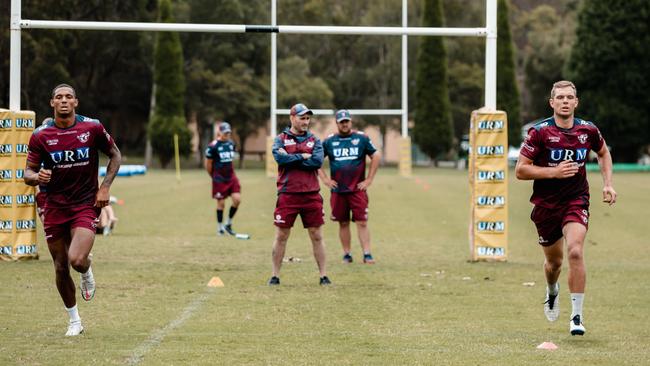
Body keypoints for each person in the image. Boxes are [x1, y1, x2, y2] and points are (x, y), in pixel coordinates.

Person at [515, 80, 616, 336]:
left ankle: (577, 316)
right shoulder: (539, 133)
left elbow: (603, 153)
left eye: (570, 97)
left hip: (576, 199)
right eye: (560, 97)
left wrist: (608, 184)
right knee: (554, 264)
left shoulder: (588, 130)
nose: (565, 101)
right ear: (552, 102)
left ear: (576, 102)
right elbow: (521, 170)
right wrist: (554, 172)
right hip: (546, 204)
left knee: (575, 252)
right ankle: (552, 291)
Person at [24, 84, 122, 336]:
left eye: (69, 97)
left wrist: (104, 188)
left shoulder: (92, 127)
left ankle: (86, 269)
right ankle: (75, 321)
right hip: (54, 204)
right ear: (52, 103)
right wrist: (38, 176)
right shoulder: (40, 135)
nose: (64, 101)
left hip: (84, 203)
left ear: (76, 102)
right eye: (59, 97)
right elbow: (27, 173)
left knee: (76, 259)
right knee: (59, 266)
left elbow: (115, 154)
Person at [269, 103, 330, 286]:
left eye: (307, 118)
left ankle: (323, 275)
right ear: (292, 118)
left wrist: (292, 158)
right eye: (302, 118)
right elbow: (280, 158)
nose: (305, 121)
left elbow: (317, 162)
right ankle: (275, 275)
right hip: (288, 194)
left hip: (311, 194)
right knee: (281, 235)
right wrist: (302, 156)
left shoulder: (315, 140)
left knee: (317, 235)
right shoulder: (281, 139)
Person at [318, 109, 380, 264]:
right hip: (338, 190)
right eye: (341, 122)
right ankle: (347, 254)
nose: (344, 124)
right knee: (343, 222)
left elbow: (376, 156)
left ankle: (367, 253)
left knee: (362, 222)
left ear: (350, 122)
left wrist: (369, 180)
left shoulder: (361, 138)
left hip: (357, 189)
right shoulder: (330, 141)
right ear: (337, 123)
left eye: (347, 121)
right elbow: (316, 160)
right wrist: (325, 179)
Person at [204, 122, 241, 236]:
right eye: (225, 132)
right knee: (221, 204)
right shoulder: (213, 146)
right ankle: (220, 227)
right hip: (219, 178)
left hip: (231, 176)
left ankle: (228, 224)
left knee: (237, 200)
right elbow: (208, 164)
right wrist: (213, 176)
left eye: (228, 132)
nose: (227, 134)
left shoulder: (231, 143)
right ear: (219, 132)